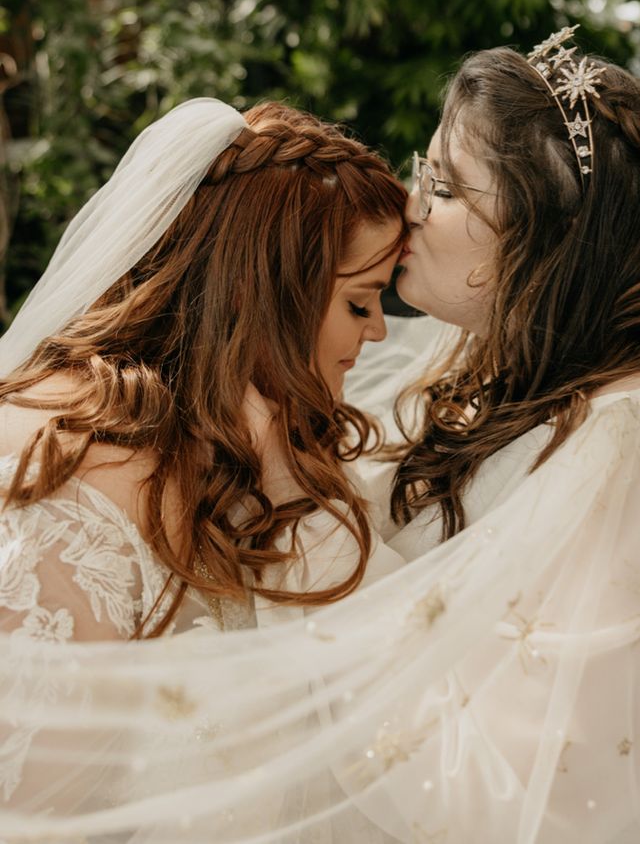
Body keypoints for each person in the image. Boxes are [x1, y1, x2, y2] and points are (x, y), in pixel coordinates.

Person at [1, 36, 640, 844]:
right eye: (428, 171)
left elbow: (524, 797)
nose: (416, 207)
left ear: (537, 245)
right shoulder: (529, 362)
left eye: (448, 188)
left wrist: (291, 495)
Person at [0, 98, 406, 808]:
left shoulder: (224, 447)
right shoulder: (78, 487)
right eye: (360, 302)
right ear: (269, 296)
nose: (377, 335)